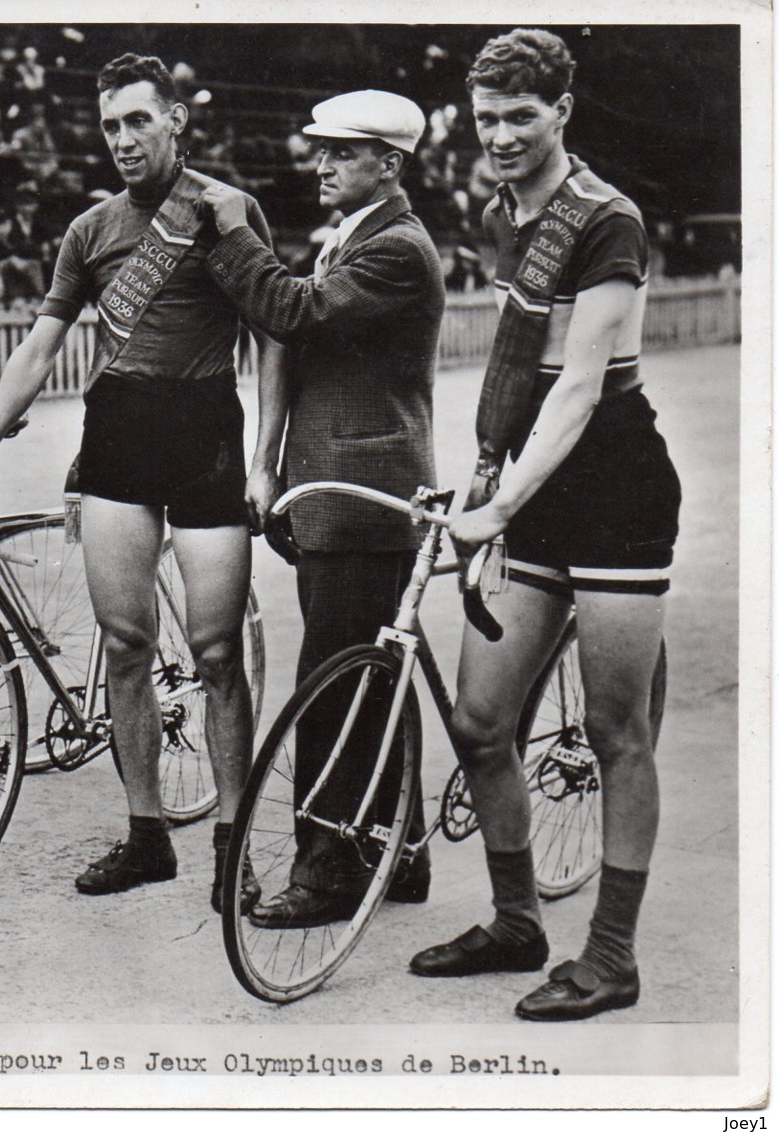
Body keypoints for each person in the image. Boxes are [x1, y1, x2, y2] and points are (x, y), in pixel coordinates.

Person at [0, 53, 278, 910]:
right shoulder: (89, 231)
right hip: (118, 437)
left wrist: (268, 456)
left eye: (138, 121)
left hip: (206, 434)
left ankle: (233, 842)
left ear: (176, 122)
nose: (123, 140)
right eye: (110, 126)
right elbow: (39, 346)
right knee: (125, 644)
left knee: (214, 651)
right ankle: (146, 835)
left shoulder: (225, 211)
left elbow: (275, 334)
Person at [408, 29, 680, 1022]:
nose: (500, 135)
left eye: (520, 116)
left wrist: (498, 509)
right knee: (480, 721)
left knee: (616, 731)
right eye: (485, 119)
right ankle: (516, 920)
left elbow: (575, 389)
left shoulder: (606, 219)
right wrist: (482, 477)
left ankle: (609, 957)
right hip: (530, 485)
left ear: (561, 111)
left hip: (612, 492)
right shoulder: (497, 214)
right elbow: (514, 373)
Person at [199, 89, 444, 928]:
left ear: (390, 164)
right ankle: (398, 847)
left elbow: (291, 312)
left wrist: (233, 232)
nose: (323, 164)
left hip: (366, 502)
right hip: (346, 497)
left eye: (342, 152)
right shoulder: (357, 238)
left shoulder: (398, 250)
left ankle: (327, 870)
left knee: (332, 686)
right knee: (374, 678)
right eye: (322, 150)